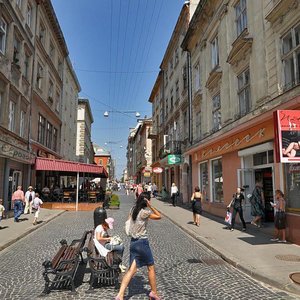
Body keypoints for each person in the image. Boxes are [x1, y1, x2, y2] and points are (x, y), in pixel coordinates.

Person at [115, 192, 161, 300]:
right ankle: (154, 292)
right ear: (146, 201)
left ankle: (120, 295)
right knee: (150, 268)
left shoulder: (132, 209)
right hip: (142, 243)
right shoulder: (144, 212)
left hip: (133, 243)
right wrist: (150, 206)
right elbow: (159, 216)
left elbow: (129, 221)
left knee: (131, 270)